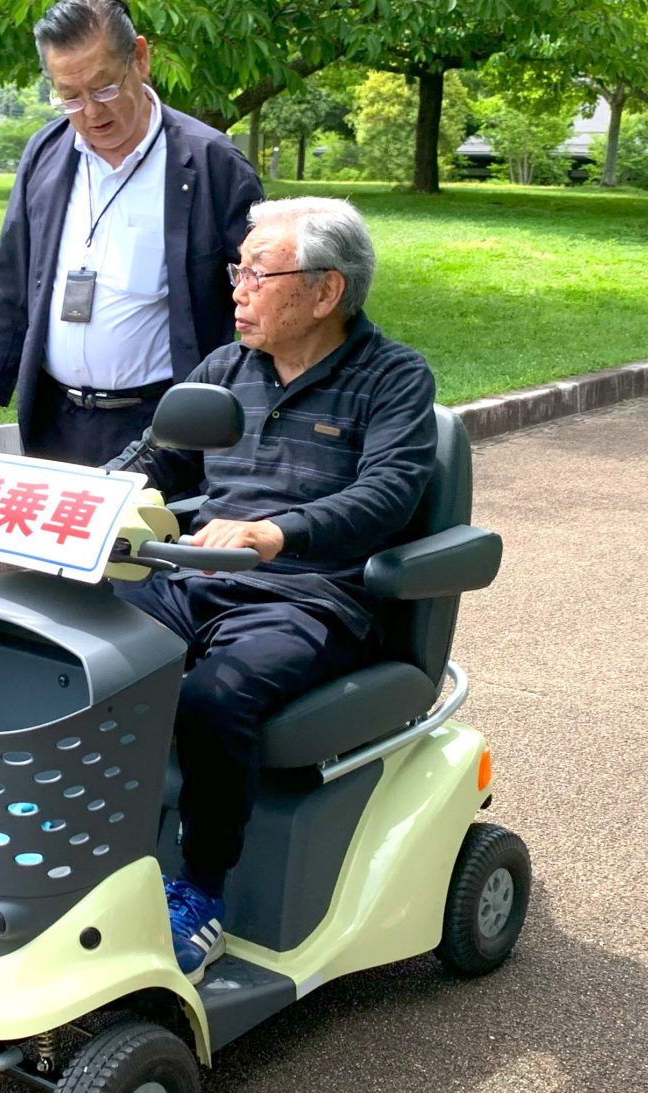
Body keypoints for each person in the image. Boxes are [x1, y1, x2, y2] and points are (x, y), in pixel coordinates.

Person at [103, 196, 438, 981]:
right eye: (238, 270)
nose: (238, 289)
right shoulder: (226, 371)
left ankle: (204, 894)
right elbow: (154, 460)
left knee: (214, 699)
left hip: (309, 597)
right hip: (197, 579)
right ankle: (82, 846)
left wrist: (277, 531)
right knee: (82, 656)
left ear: (325, 292)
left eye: (259, 272)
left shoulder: (392, 378)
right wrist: (87, 498)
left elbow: (390, 492)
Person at [0, 0, 264, 466]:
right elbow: (13, 279)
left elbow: (267, 289)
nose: (91, 112)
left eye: (104, 89)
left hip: (163, 424)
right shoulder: (47, 153)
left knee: (142, 537)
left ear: (140, 58)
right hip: (55, 418)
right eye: (70, 96)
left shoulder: (211, 164)